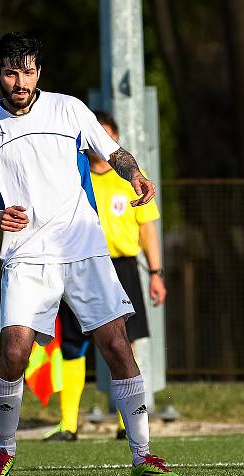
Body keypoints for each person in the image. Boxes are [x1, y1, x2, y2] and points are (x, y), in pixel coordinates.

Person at [0, 32, 181, 476]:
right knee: (15, 352)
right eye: (10, 71)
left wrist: (136, 174)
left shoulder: (68, 109)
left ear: (39, 71)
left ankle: (143, 454)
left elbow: (113, 152)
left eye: (26, 71)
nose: (19, 81)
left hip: (82, 246)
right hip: (25, 255)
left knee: (117, 345)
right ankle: (5, 449)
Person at [43, 110, 166, 442]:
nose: (102, 141)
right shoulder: (74, 174)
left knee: (124, 343)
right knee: (72, 344)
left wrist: (156, 272)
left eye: (108, 135)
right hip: (79, 263)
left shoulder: (127, 180)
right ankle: (68, 424)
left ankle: (128, 424)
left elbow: (147, 229)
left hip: (122, 267)